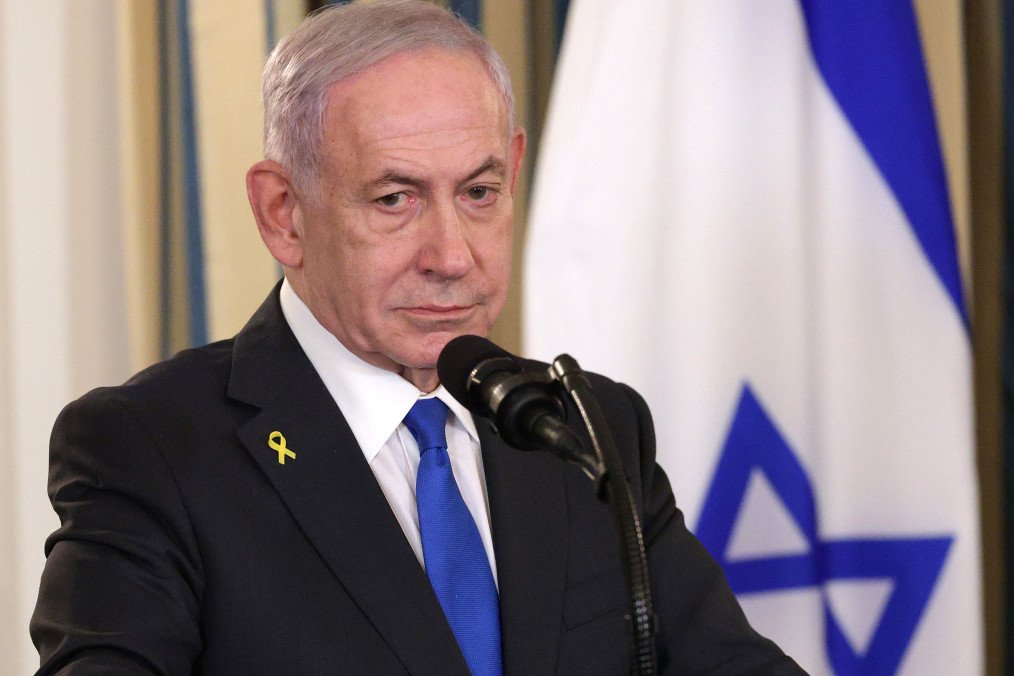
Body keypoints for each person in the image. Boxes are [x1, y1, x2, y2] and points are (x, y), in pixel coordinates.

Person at [31, 1, 803, 673]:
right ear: (283, 214)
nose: (452, 256)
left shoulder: (585, 430)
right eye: (395, 198)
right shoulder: (154, 450)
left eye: (479, 192)